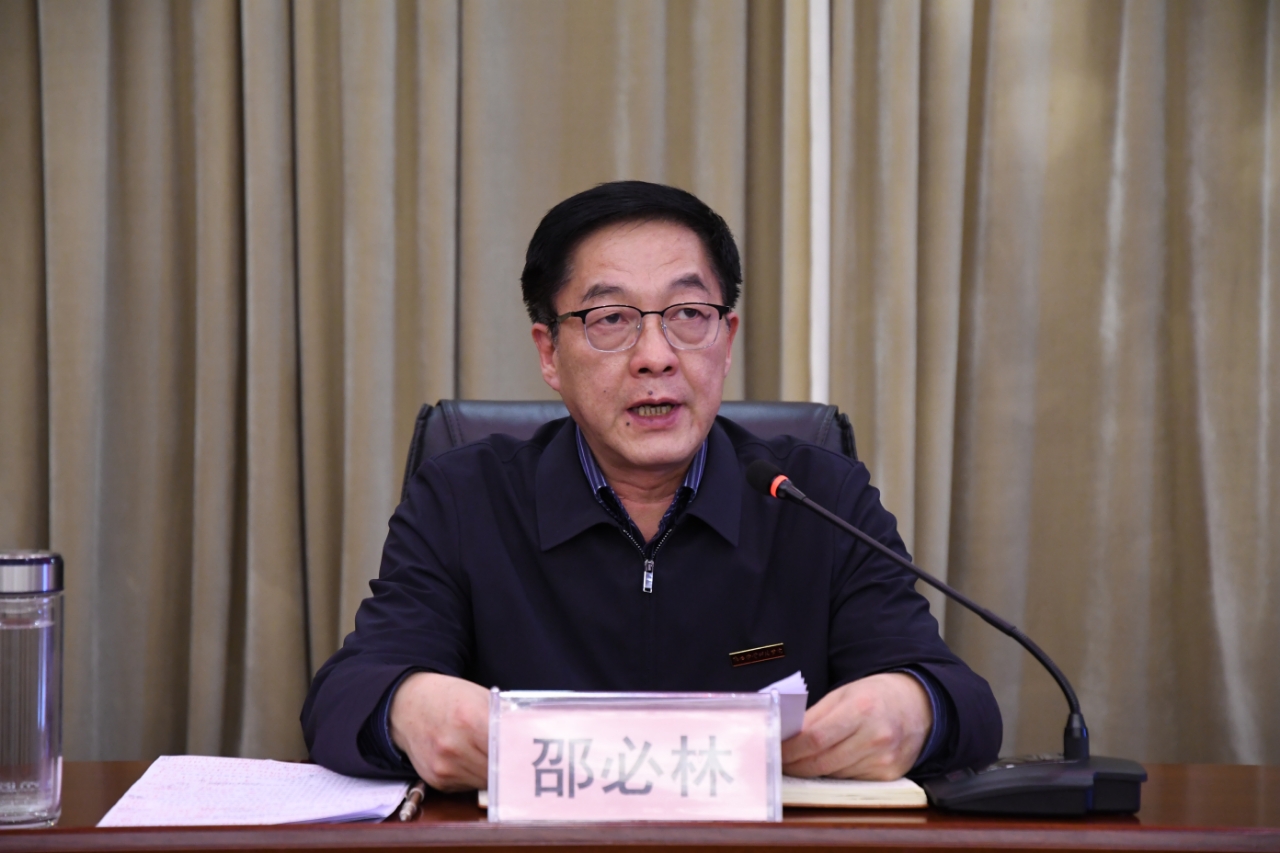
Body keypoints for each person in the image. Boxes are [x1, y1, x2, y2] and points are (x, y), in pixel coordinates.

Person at [301, 181, 1001, 790]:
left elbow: (961, 699)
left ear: (725, 338)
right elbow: (344, 695)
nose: (656, 357)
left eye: (688, 315)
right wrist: (409, 706)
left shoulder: (817, 496)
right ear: (549, 353)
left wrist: (914, 707)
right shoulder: (464, 498)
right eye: (610, 319)